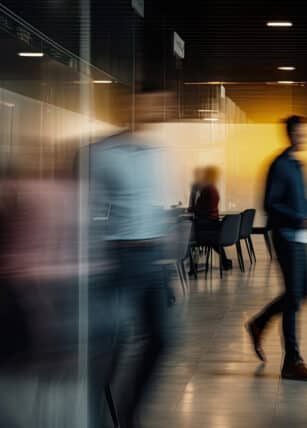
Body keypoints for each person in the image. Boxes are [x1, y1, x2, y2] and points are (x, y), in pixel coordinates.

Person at [86, 91, 172, 428]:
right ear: (129, 105)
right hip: (119, 256)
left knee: (162, 339)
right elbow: (88, 210)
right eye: (153, 102)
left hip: (152, 258)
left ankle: (130, 412)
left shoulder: (156, 151)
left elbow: (153, 203)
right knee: (114, 345)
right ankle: (95, 414)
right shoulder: (100, 153)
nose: (160, 109)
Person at [246, 115, 307, 381]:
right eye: (301, 132)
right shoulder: (279, 165)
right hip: (285, 236)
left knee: (305, 290)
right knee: (293, 296)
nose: (306, 137)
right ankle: (292, 361)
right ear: (290, 134)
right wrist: (300, 218)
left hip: (300, 236)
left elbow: (299, 200)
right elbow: (270, 204)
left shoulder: (298, 165)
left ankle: (260, 322)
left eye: (306, 132)